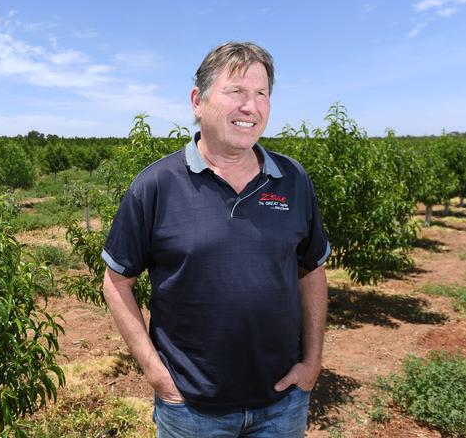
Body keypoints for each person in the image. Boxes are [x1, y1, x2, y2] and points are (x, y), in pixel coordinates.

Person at [101, 41, 330, 437]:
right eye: (236, 91)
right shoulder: (156, 185)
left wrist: (312, 362)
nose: (251, 106)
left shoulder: (293, 179)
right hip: (192, 411)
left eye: (261, 94)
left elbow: (311, 271)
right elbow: (116, 282)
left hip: (282, 405)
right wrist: (155, 372)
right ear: (198, 101)